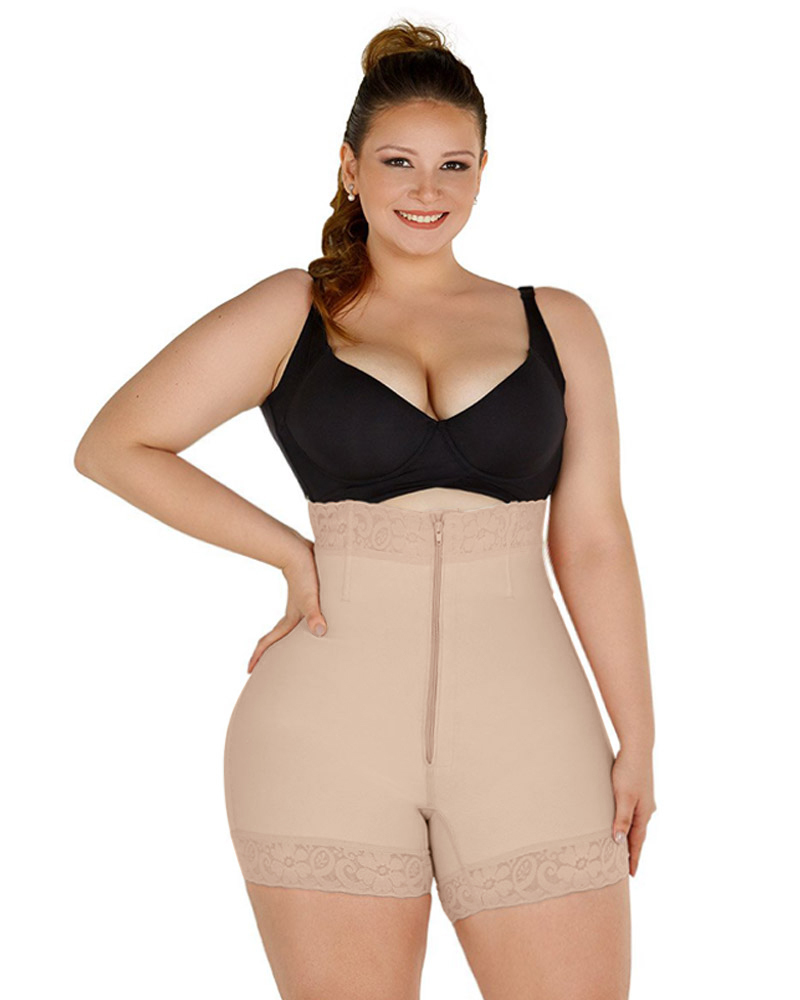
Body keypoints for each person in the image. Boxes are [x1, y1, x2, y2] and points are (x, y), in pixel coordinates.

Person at [74, 17, 656, 1000]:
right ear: (349, 168)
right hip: (323, 736)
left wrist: (637, 735)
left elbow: (592, 538)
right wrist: (289, 553)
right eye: (397, 162)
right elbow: (115, 445)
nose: (427, 190)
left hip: (533, 734)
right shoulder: (293, 309)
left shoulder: (559, 322)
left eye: (453, 165)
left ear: (483, 172)